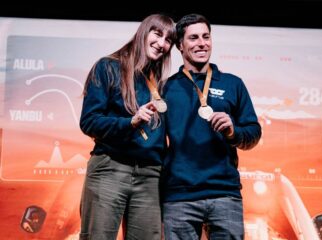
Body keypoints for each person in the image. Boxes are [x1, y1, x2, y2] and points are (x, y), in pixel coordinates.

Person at [162, 13, 262, 240]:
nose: (201, 43)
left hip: (224, 194)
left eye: (206, 37)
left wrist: (233, 131)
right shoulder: (166, 88)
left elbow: (253, 133)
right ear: (180, 45)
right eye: (193, 38)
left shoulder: (232, 83)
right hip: (179, 196)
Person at [79, 14, 175, 240]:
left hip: (150, 176)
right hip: (111, 168)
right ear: (144, 32)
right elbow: (89, 121)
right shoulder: (108, 66)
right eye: (157, 34)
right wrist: (130, 122)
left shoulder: (160, 82)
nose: (162, 44)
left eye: (168, 40)